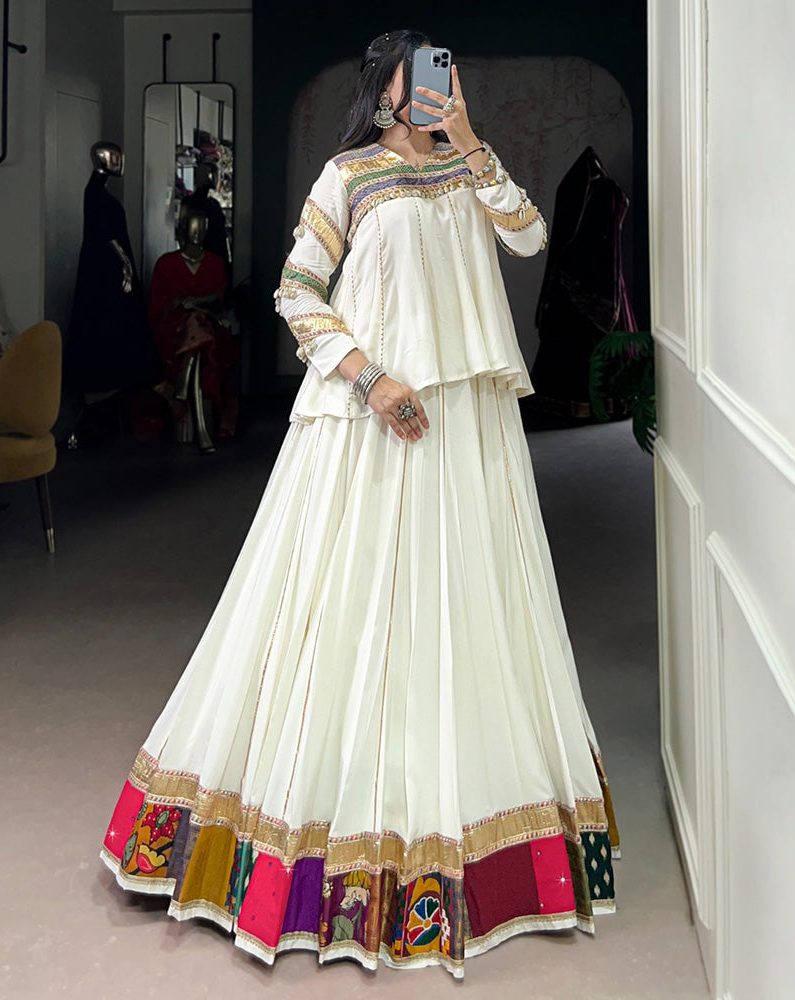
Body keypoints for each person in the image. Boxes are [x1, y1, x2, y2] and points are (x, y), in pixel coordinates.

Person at [99, 30, 620, 979]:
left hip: (467, 429)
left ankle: (471, 835)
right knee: (349, 607)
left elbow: (530, 237)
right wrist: (370, 377)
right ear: (384, 91)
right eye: (421, 77)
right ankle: (322, 836)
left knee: (465, 605)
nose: (438, 88)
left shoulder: (469, 168)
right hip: (373, 419)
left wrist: (471, 141)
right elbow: (298, 291)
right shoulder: (349, 176)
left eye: (448, 75)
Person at [148, 206, 240, 445]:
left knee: (199, 328)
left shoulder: (214, 263)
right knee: (193, 326)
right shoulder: (166, 264)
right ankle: (198, 424)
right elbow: (158, 306)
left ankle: (181, 387)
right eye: (192, 226)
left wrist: (197, 303)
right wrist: (179, 303)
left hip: (208, 326)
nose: (196, 232)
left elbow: (218, 297)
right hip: (175, 329)